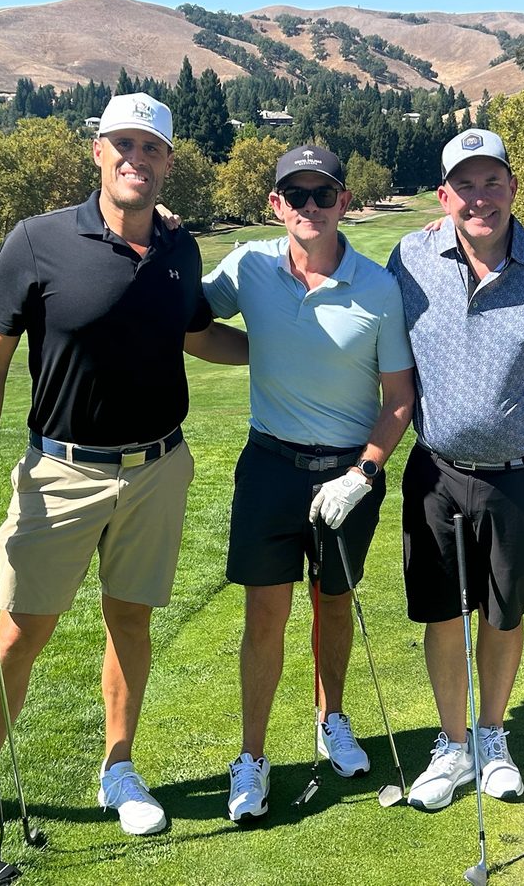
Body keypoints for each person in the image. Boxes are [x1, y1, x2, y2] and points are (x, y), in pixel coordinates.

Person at [0, 93, 248, 859]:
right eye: (122, 143)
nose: (137, 158)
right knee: (21, 633)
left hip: (159, 468)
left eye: (151, 146)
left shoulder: (179, 248)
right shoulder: (37, 241)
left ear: (168, 160)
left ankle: (118, 770)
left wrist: (285, 348)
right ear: (97, 152)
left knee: (131, 622)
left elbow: (196, 334)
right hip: (60, 471)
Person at [201, 145, 415, 822]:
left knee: (333, 602)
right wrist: (255, 349)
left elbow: (400, 398)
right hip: (269, 465)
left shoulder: (378, 287)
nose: (310, 207)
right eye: (296, 196)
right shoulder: (251, 266)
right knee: (264, 615)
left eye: (324, 194)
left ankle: (334, 720)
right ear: (276, 205)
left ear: (344, 201)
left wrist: (364, 473)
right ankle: (253, 757)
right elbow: (188, 320)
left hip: (348, 471)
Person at [386, 129, 524, 811]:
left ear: (513, 187)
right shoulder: (409, 259)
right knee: (443, 615)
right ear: (443, 196)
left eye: (491, 182)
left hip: (522, 476)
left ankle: (492, 736)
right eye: (464, 186)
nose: (479, 199)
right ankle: (451, 744)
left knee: (504, 614)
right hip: (436, 472)